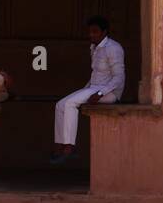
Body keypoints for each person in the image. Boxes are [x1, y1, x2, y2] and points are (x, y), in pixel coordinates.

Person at [50, 15, 125, 164]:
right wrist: (84, 91)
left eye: (95, 32)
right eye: (90, 32)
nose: (91, 35)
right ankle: (59, 145)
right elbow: (95, 75)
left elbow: (119, 77)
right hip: (94, 88)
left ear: (104, 32)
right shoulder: (94, 48)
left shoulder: (113, 48)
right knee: (60, 104)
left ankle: (69, 148)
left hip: (110, 93)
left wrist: (99, 93)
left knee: (70, 103)